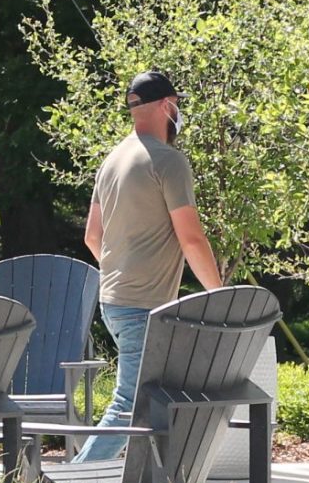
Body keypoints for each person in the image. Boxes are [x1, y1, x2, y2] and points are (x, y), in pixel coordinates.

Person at [73, 70, 223, 463]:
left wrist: (123, 271)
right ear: (164, 105)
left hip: (115, 302)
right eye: (176, 104)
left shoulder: (112, 160)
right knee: (129, 404)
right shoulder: (168, 161)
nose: (178, 112)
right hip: (142, 306)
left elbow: (93, 236)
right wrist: (219, 297)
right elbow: (191, 238)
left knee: (159, 400)